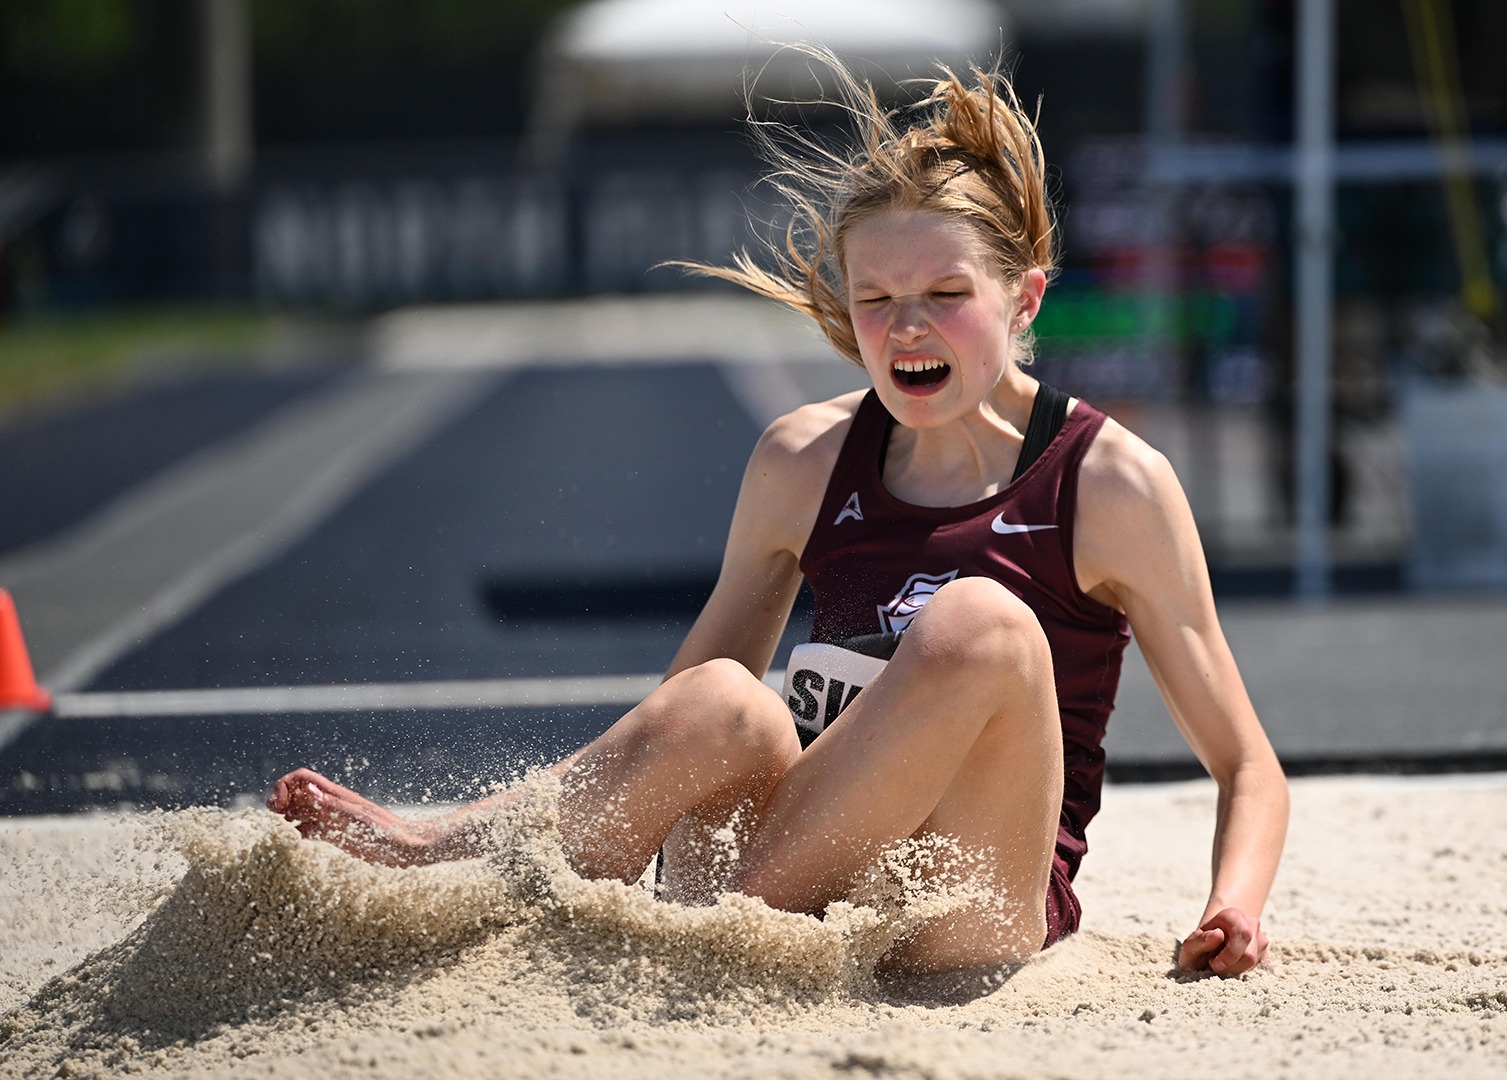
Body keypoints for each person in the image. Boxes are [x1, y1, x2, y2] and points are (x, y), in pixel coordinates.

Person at [269, 52, 1288, 977]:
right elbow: (676, 719)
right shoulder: (803, 458)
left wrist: (1232, 906)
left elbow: (1246, 764)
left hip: (962, 903)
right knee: (728, 697)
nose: (910, 325)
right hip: (803, 865)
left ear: (1024, 300)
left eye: (945, 292)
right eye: (878, 300)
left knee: (981, 624)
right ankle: (458, 868)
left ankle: (706, 941)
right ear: (846, 310)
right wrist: (480, 825)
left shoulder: (1109, 479)